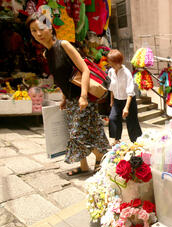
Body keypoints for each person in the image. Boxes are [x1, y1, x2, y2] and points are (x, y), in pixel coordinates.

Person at [27, 13, 110, 176]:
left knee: (78, 133)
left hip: (82, 97)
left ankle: (101, 157)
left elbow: (84, 70)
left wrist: (84, 96)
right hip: (71, 99)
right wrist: (64, 98)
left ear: (50, 28)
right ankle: (84, 165)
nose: (38, 34)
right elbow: (61, 78)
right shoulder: (46, 54)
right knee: (84, 130)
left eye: (41, 28)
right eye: (33, 31)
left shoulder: (64, 45)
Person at [107, 49, 142, 145]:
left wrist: (126, 108)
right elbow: (112, 87)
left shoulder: (126, 73)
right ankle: (116, 139)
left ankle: (135, 142)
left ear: (118, 62)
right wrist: (111, 101)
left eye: (111, 62)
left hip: (128, 101)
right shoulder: (111, 72)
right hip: (117, 100)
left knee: (131, 121)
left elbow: (130, 92)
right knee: (113, 118)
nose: (110, 64)